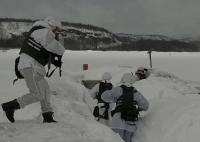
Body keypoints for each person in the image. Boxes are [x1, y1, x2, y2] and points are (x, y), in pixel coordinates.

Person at [1, 16, 65, 123]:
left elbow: (42, 50)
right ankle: (11, 106)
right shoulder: (44, 32)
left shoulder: (39, 31)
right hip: (30, 66)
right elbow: (57, 48)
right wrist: (61, 44)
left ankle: (47, 115)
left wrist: (53, 60)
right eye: (56, 29)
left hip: (33, 66)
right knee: (37, 94)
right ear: (52, 25)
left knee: (45, 90)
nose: (56, 32)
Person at [101, 73, 149, 142]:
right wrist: (139, 109)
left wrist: (115, 99)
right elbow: (146, 106)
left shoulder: (118, 90)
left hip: (117, 122)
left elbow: (103, 96)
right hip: (130, 123)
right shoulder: (137, 93)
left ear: (123, 80)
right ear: (132, 81)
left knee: (115, 140)